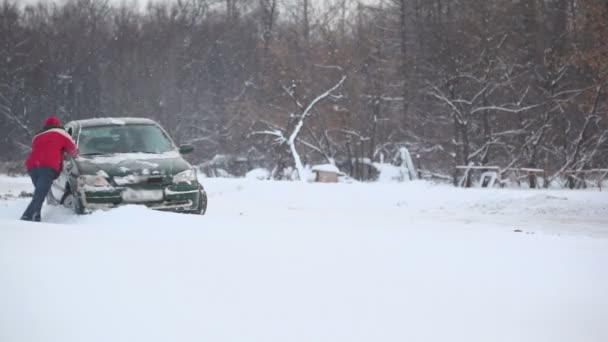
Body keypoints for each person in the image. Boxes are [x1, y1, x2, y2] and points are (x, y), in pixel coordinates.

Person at [21, 116, 78, 222]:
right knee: (39, 195)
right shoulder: (61, 133)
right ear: (58, 124)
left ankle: (35, 217)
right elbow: (73, 150)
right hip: (47, 166)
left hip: (32, 166)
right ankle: (27, 217)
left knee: (39, 194)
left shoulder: (37, 136)